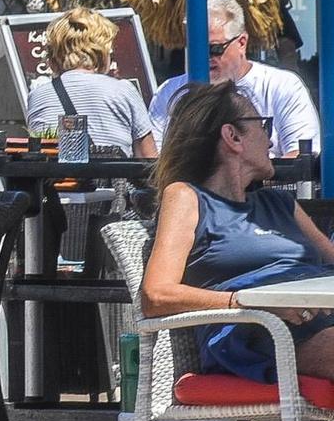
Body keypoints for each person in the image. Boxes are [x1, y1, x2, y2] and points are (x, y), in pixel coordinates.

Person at [142, 79, 334, 384]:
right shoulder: (187, 197)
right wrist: (250, 301)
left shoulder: (280, 203)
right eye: (263, 126)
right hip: (254, 328)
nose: (271, 142)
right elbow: (156, 294)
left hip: (317, 317)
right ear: (232, 136)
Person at [151, 0, 319, 157]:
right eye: (196, 49)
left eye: (215, 49)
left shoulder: (282, 86)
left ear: (241, 43)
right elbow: (154, 157)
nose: (205, 58)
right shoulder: (170, 92)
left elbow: (302, 154)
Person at [26, 7, 157, 158]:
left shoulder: (38, 95)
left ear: (53, 56)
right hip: (111, 180)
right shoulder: (123, 91)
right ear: (102, 52)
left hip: (52, 180)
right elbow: (149, 160)